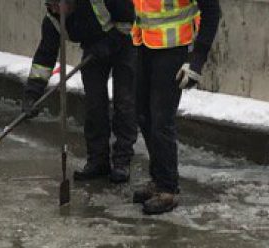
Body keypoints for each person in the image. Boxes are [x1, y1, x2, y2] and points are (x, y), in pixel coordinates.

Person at [24, 0, 137, 184]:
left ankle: (122, 161)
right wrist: (31, 94)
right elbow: (45, 56)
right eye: (49, 6)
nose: (52, 9)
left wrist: (108, 44)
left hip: (123, 42)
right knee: (94, 106)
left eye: (55, 5)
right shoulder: (54, 18)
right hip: (93, 49)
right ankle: (98, 161)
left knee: (124, 103)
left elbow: (127, 19)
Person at [130, 0, 220, 215]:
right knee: (144, 116)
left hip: (174, 50)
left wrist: (196, 59)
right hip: (143, 45)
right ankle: (158, 178)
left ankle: (168, 188)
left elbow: (212, 12)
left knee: (162, 120)